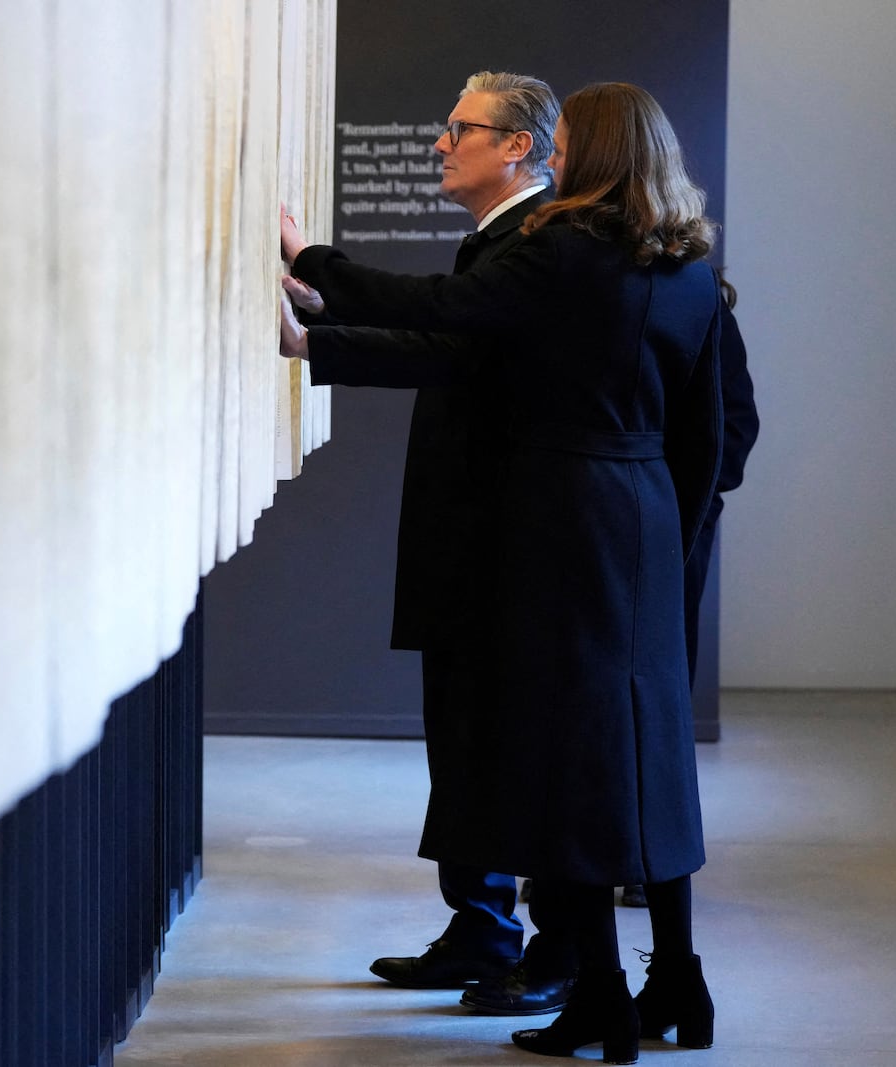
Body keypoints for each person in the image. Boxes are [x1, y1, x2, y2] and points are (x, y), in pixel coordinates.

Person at [281, 83, 729, 1063]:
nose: (552, 157)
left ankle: (601, 997)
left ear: (593, 152)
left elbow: (443, 313)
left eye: (563, 142)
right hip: (646, 520)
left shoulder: (566, 254)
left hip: (560, 522)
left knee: (566, 762)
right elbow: (711, 430)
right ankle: (678, 983)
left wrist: (313, 262)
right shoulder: (690, 265)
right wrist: (673, 538)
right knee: (650, 762)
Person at [281, 71, 581, 1015]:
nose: (441, 144)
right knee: (462, 739)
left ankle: (524, 941)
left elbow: (445, 326)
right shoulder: (501, 240)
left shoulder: (537, 243)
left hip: (507, 545)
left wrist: (319, 266)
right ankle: (480, 928)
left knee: (496, 741)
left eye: (461, 128)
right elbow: (451, 355)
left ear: (518, 146)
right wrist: (316, 342)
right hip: (472, 540)